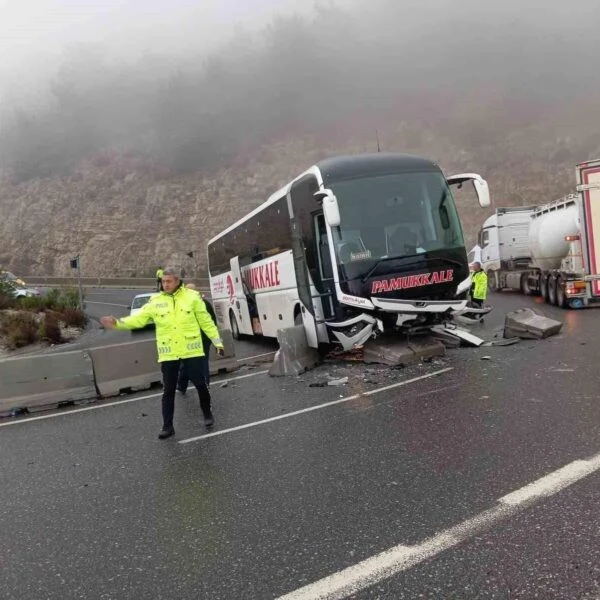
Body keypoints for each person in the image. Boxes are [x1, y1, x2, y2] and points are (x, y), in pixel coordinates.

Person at [100, 267, 224, 440]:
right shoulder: (155, 301)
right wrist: (118, 323)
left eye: (169, 281)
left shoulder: (192, 297)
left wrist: (218, 342)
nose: (165, 284)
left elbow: (206, 322)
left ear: (177, 281)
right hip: (169, 353)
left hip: (192, 350)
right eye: (163, 281)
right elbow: (138, 319)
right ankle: (167, 426)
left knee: (200, 385)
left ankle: (207, 414)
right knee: (168, 391)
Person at [177, 283, 217, 393]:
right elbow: (213, 321)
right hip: (204, 340)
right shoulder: (205, 304)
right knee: (204, 363)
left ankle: (182, 386)